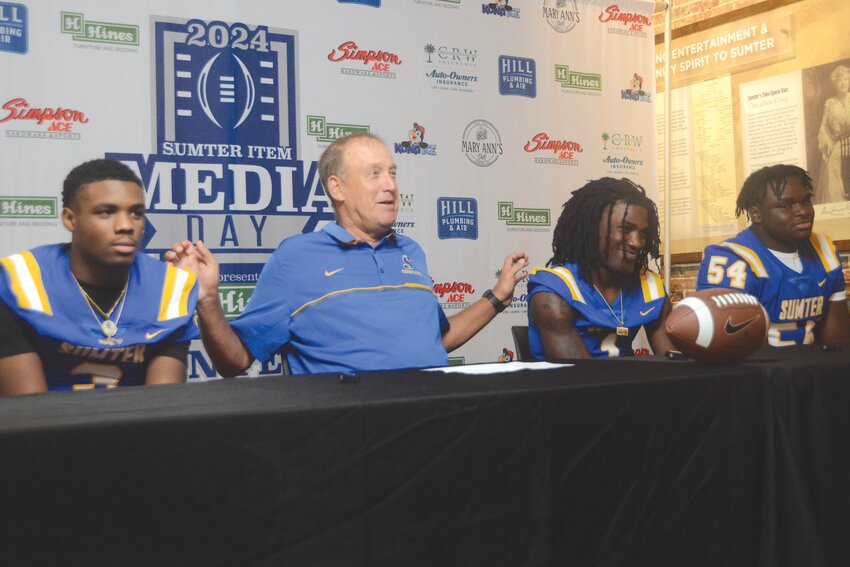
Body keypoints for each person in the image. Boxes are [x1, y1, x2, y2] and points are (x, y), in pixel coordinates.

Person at [168, 133, 528, 376]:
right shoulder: (295, 259)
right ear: (336, 188)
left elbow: (436, 342)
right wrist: (209, 300)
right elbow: (237, 360)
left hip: (431, 428)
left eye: (392, 173)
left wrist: (497, 297)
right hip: (348, 442)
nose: (390, 185)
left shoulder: (410, 251)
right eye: (374, 174)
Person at [0, 159, 200, 395]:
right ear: (70, 219)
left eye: (136, 213)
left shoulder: (171, 286)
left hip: (137, 427)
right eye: (106, 212)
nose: (126, 225)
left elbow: (161, 405)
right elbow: (32, 412)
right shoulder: (17, 281)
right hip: (48, 426)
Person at [697, 164, 849, 346]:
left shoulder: (823, 250)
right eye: (786, 205)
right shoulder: (731, 259)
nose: (802, 211)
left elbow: (838, 342)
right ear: (756, 214)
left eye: (806, 201)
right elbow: (726, 345)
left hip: (811, 370)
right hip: (755, 373)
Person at [527, 177, 673, 359]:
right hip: (567, 386)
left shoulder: (649, 286)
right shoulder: (554, 291)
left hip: (627, 384)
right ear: (592, 228)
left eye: (643, 233)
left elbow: (674, 365)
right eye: (626, 229)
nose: (637, 243)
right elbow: (581, 380)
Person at [815, 64, 850, 204]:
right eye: (840, 80)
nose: (843, 82)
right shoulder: (830, 103)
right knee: (829, 167)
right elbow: (823, 127)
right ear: (835, 84)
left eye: (846, 79)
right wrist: (826, 141)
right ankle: (837, 206)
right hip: (838, 142)